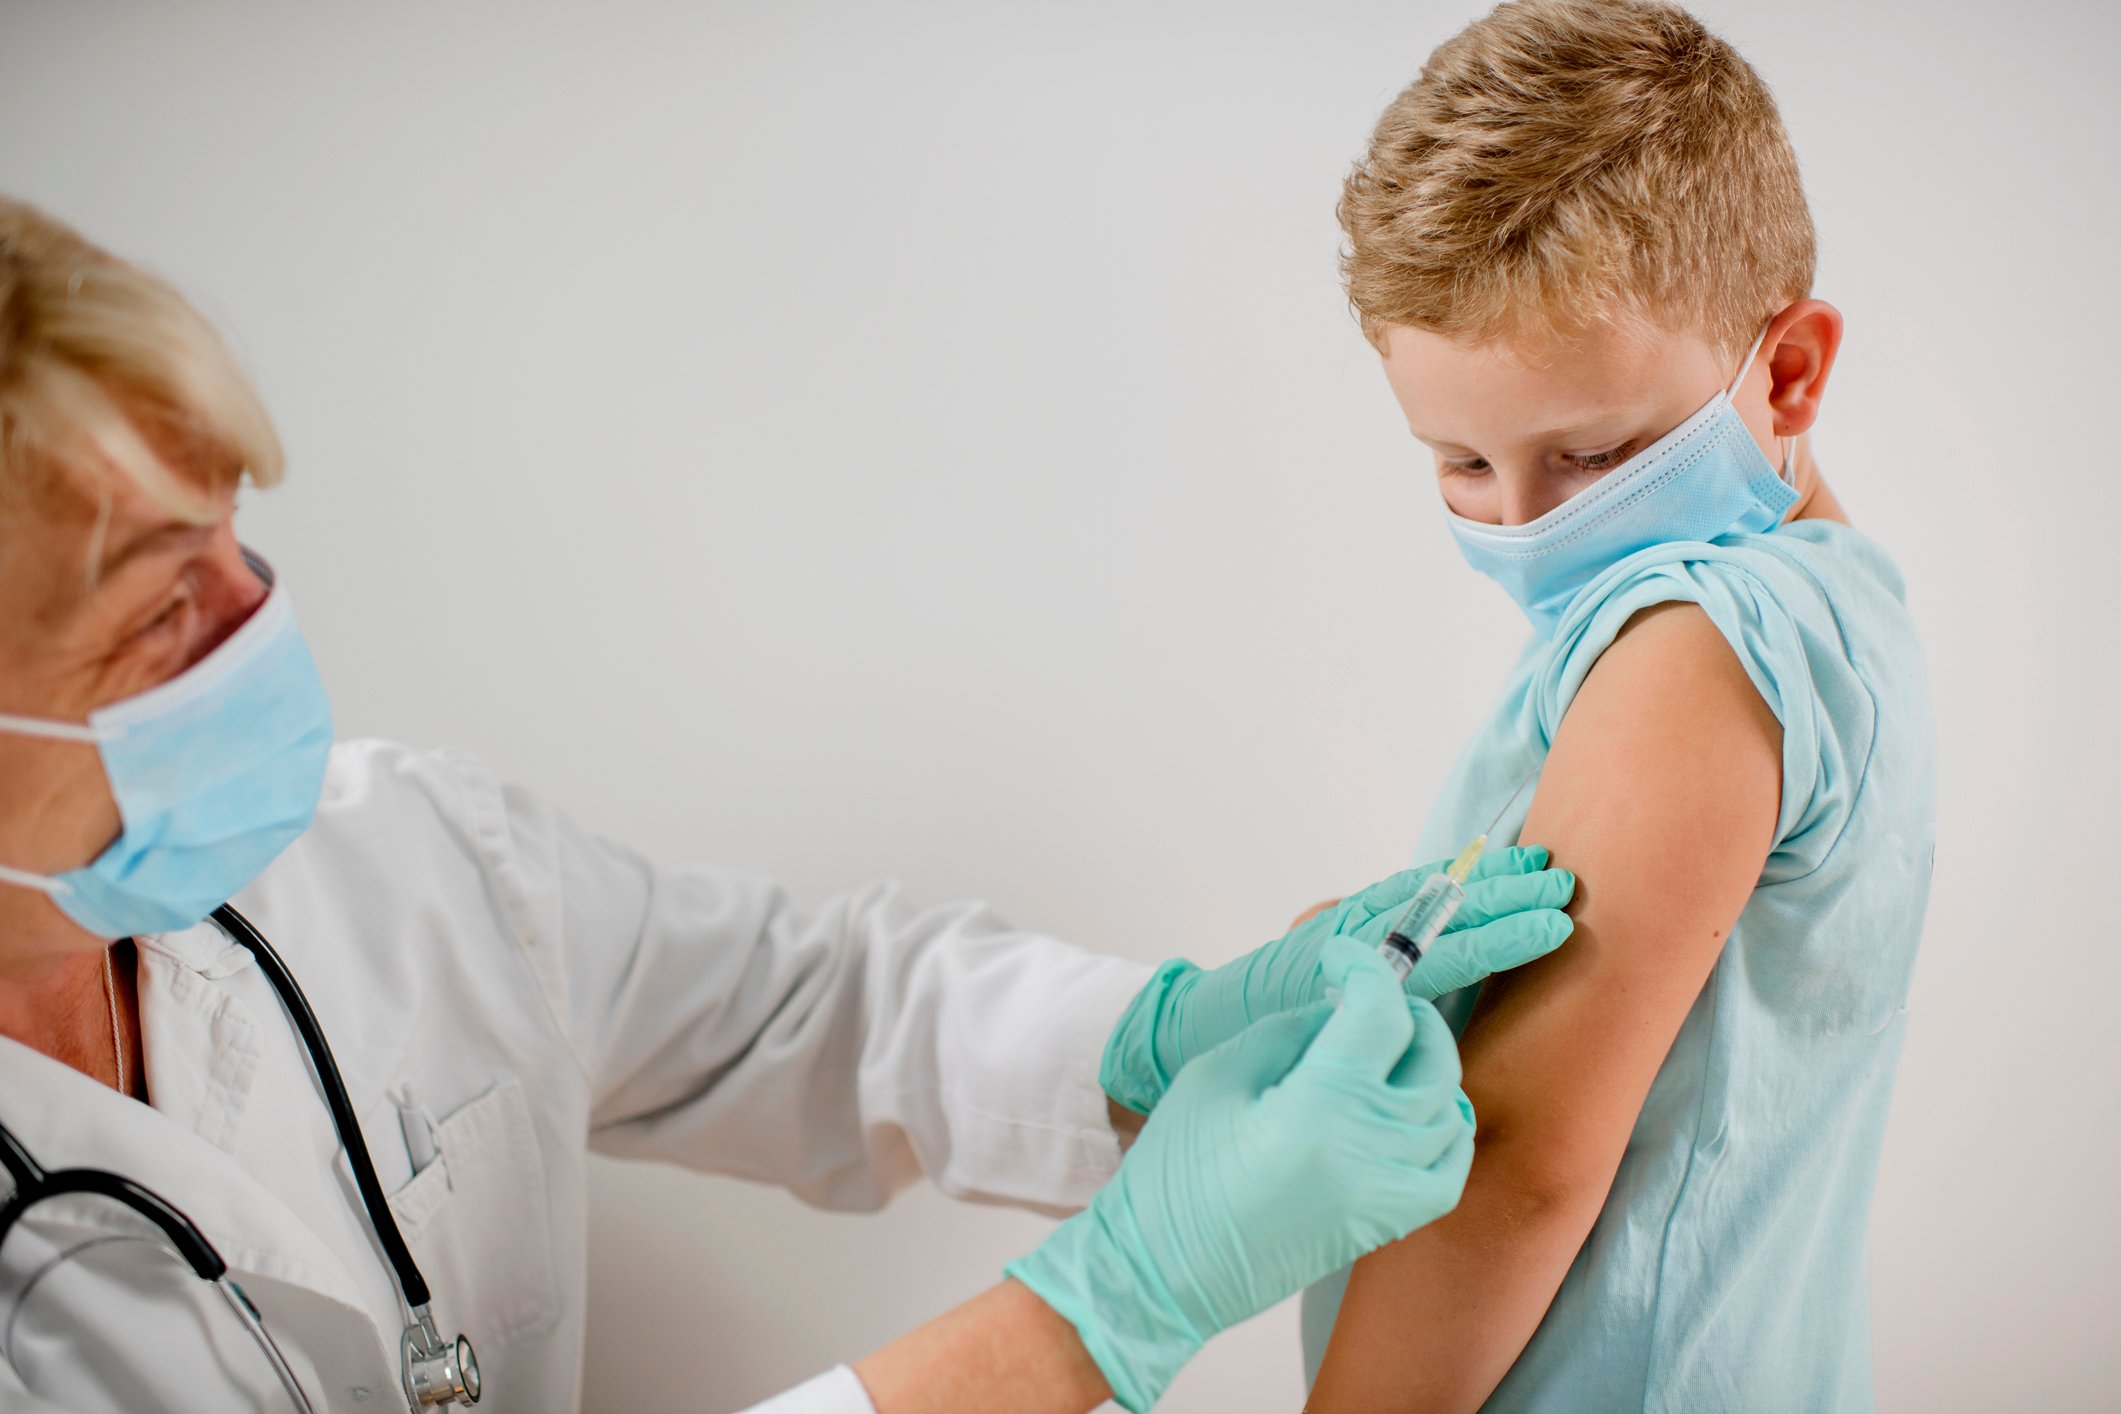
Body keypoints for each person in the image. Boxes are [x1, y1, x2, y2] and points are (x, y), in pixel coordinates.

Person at [0, 196, 1578, 1413]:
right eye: (163, 609)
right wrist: (1107, 1304)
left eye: (236, 535)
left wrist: (1158, 1035)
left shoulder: (395, 861)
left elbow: (806, 1005)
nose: (261, 620)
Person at [1295, 3, 1937, 1411]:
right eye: (1461, 462)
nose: (1525, 523)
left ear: (1786, 371)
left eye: (1589, 454)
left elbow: (1516, 1158)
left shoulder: (1699, 642)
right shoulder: (1827, 614)